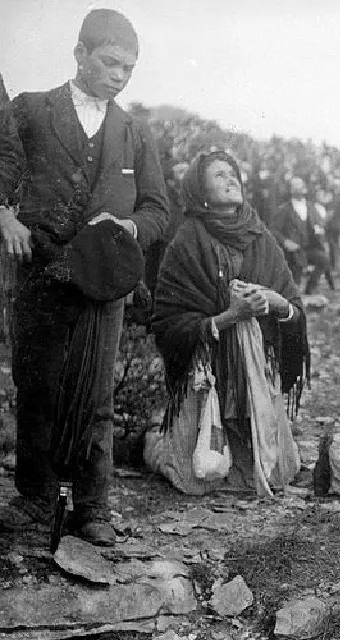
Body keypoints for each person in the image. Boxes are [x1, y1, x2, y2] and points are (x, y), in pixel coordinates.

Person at [0, 9, 169, 545]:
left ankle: (93, 505)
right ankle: (35, 498)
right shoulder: (28, 109)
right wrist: (4, 212)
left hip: (103, 274)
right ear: (79, 54)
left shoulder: (134, 131)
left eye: (129, 68)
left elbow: (158, 208)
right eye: (110, 62)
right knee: (38, 383)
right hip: (40, 270)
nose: (119, 75)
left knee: (96, 394)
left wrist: (130, 224)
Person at [146, 151, 307, 495]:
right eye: (219, 175)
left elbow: (293, 307)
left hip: (255, 374)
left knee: (276, 475)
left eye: (233, 173)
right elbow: (169, 322)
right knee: (192, 480)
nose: (231, 179)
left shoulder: (261, 237)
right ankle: (153, 444)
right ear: (198, 188)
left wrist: (272, 302)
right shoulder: (187, 239)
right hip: (207, 371)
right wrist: (230, 316)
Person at [269, 177, 333, 294]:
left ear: (304, 189)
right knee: (296, 275)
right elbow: (274, 230)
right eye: (295, 186)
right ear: (291, 190)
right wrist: (285, 241)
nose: (298, 188)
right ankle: (294, 294)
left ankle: (310, 288)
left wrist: (319, 229)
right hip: (294, 250)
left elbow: (319, 224)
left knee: (324, 259)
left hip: (310, 248)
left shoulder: (311, 207)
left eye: (300, 185)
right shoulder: (285, 209)